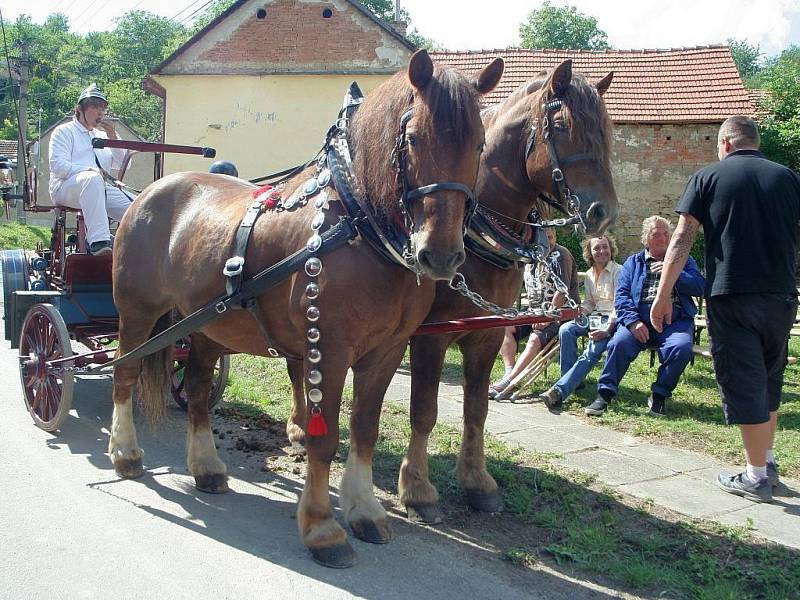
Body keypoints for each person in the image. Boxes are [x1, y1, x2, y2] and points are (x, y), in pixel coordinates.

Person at [651, 115, 800, 504]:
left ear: (726, 144)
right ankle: (766, 463)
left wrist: (663, 292)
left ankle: (754, 477)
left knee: (743, 380)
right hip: (782, 297)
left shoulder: (708, 177)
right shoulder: (788, 178)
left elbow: (682, 239)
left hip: (733, 296)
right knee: (768, 379)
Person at [584, 215, 704, 417]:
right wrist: (632, 323)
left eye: (667, 233)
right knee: (618, 344)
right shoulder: (633, 262)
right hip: (640, 320)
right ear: (646, 239)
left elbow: (700, 286)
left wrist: (672, 273)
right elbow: (621, 297)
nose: (663, 238)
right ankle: (604, 394)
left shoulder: (684, 260)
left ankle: (659, 395)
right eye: (657, 234)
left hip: (674, 321)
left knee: (681, 348)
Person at [490, 227, 580, 400]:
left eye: (551, 237)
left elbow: (562, 290)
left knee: (534, 338)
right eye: (545, 238)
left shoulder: (560, 255)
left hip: (561, 313)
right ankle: (510, 370)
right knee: (505, 325)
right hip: (535, 312)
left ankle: (510, 381)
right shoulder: (530, 257)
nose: (548, 242)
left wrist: (546, 316)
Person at [539, 234, 622, 410]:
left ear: (611, 249)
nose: (601, 251)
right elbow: (590, 302)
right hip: (595, 317)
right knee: (566, 329)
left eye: (605, 247)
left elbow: (619, 305)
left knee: (591, 350)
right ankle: (572, 382)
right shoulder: (590, 274)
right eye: (596, 248)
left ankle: (559, 391)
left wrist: (608, 327)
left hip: (613, 320)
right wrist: (580, 313)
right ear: (590, 253)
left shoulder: (618, 271)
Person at [49, 83, 130, 256]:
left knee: (139, 204)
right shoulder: (64, 132)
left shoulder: (102, 136)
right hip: (65, 188)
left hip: (99, 189)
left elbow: (125, 164)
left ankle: (138, 249)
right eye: (95, 107)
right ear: (79, 109)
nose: (100, 112)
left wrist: (113, 137)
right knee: (92, 180)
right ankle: (99, 242)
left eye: (103, 108)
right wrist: (91, 170)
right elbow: (58, 167)